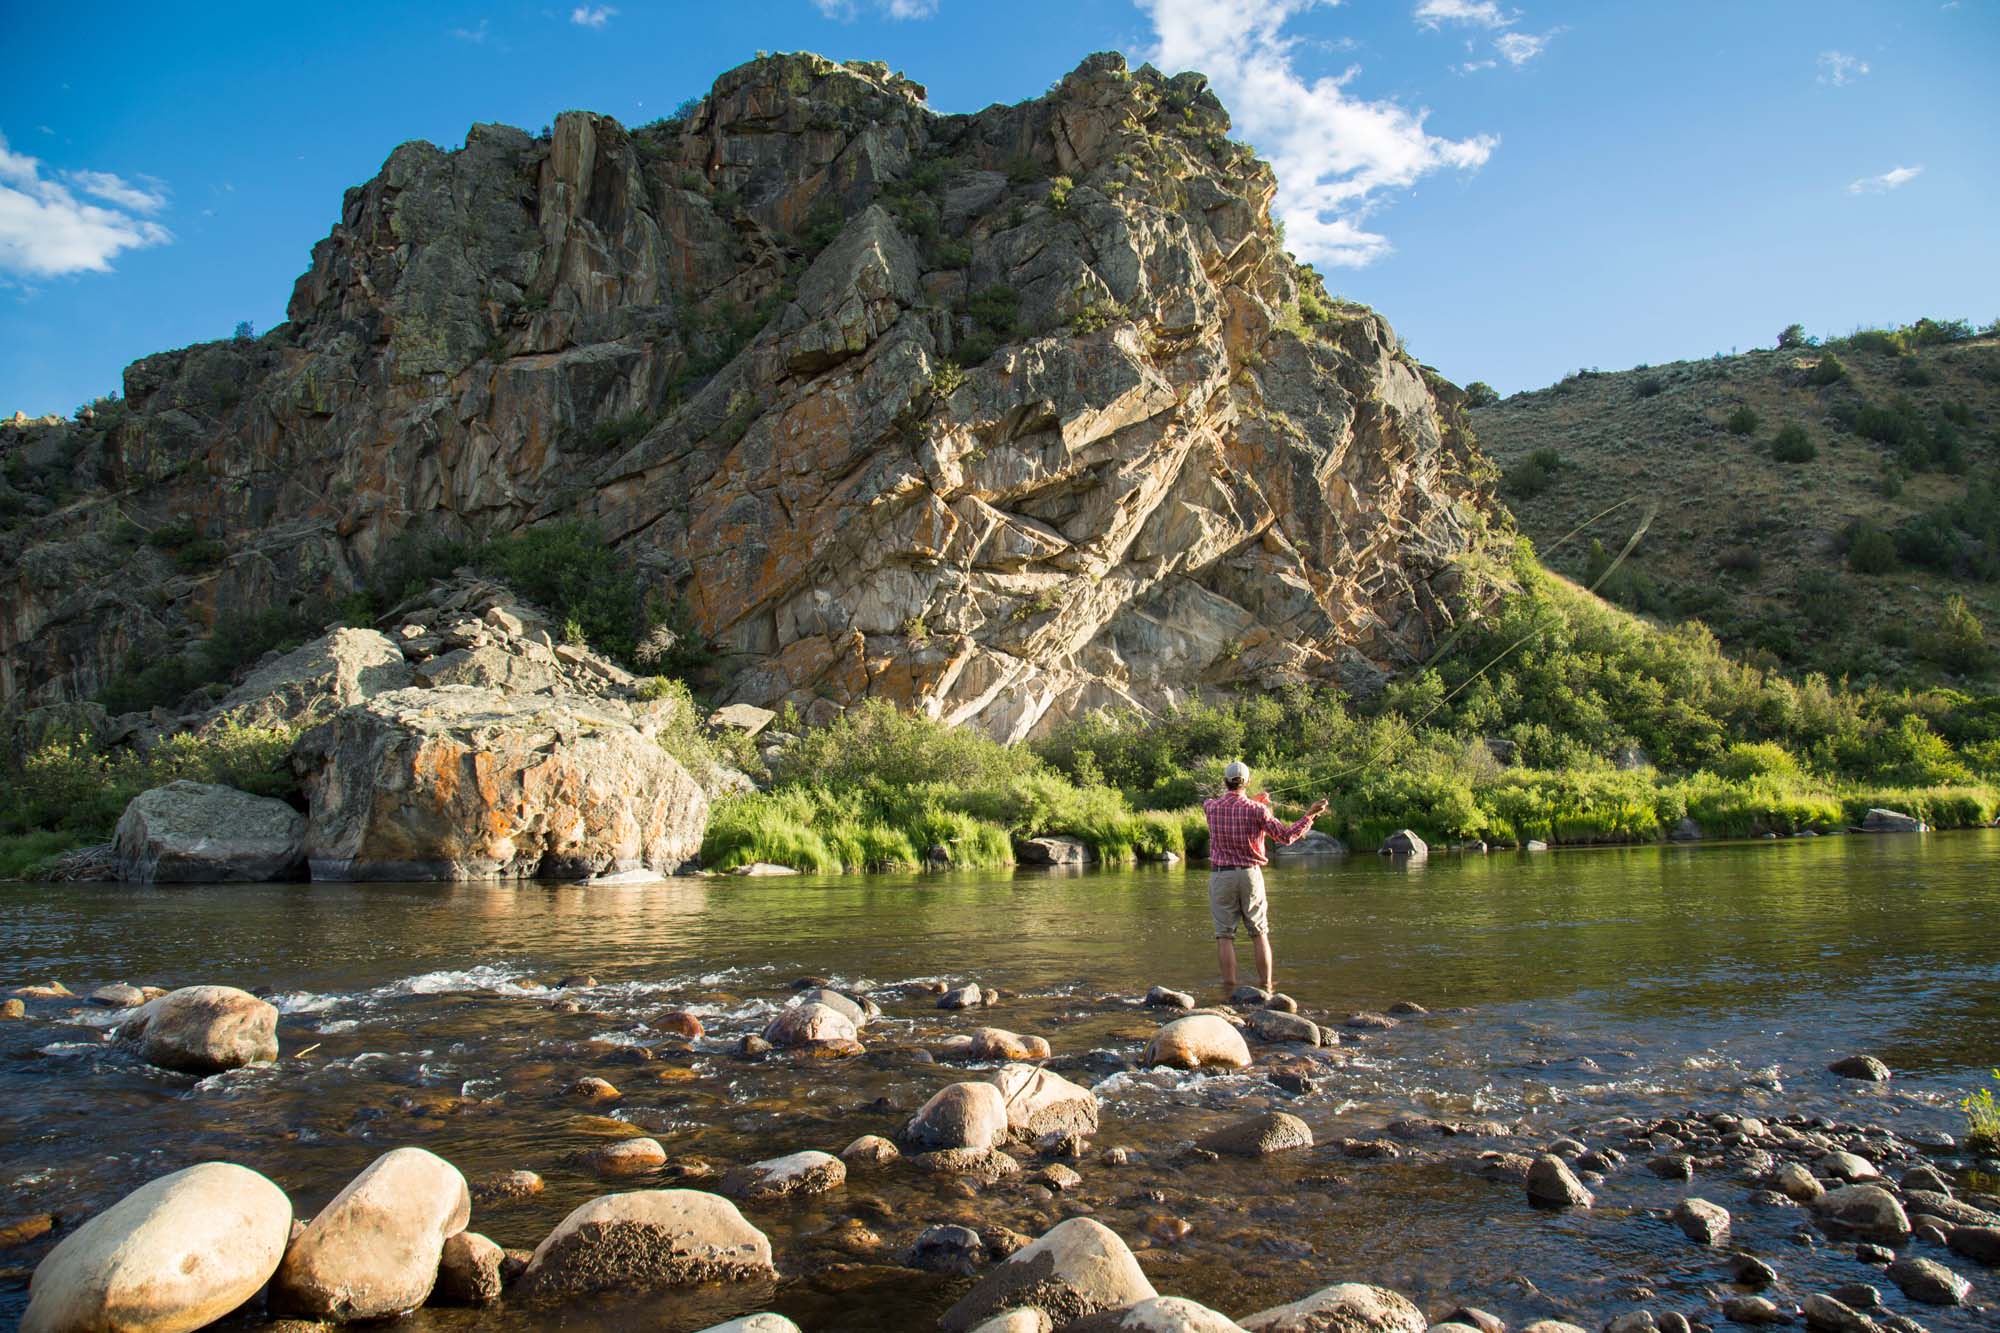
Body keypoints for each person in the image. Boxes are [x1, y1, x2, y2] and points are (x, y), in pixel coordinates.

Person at [1201, 761, 1327, 993]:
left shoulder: (1210, 807)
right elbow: (1286, 837)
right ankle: (1266, 987)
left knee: (1224, 936)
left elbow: (1229, 806)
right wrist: (1310, 815)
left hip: (1221, 876)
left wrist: (1254, 801)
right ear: (1247, 782)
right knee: (1259, 933)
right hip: (1250, 876)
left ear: (1224, 781)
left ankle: (1229, 990)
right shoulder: (1258, 811)